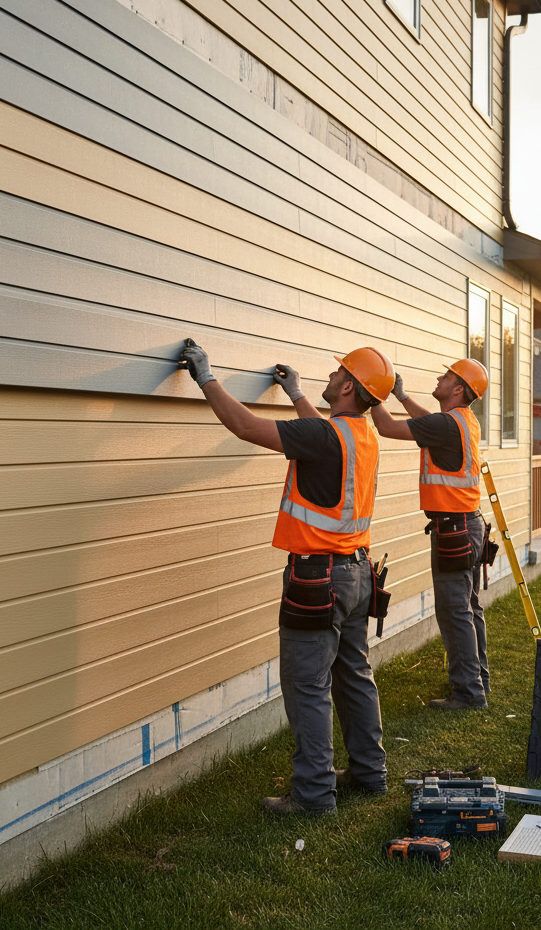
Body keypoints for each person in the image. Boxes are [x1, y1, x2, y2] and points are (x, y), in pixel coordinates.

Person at [180, 340, 395, 815]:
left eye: (339, 370)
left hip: (318, 580)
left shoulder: (324, 437)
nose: (333, 373)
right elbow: (317, 431)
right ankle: (368, 772)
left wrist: (204, 375)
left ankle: (315, 795)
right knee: (354, 676)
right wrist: (296, 392)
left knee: (308, 686)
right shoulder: (360, 434)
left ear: (345, 386)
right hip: (358, 575)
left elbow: (244, 425)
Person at [370, 359, 490, 710]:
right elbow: (428, 423)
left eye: (447, 376)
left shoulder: (445, 424)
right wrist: (403, 395)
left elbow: (388, 428)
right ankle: (477, 679)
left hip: (454, 529)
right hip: (469, 525)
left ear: (457, 389)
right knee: (468, 608)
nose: (439, 376)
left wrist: (373, 390)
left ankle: (468, 694)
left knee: (455, 612)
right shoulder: (462, 420)